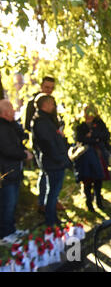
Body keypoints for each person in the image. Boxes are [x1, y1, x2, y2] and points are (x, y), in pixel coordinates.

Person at [23, 76, 64, 214]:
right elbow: (28, 125)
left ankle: (52, 200)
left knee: (54, 174)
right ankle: (43, 202)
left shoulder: (52, 103)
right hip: (40, 144)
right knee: (45, 172)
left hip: (53, 140)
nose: (49, 90)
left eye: (52, 88)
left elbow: (55, 121)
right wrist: (45, 133)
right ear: (41, 86)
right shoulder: (33, 103)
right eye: (47, 87)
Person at [31, 94, 71, 227]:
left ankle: (52, 218)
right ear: (45, 105)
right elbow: (48, 143)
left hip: (54, 160)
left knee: (53, 192)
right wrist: (60, 159)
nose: (53, 106)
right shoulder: (41, 121)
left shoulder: (46, 119)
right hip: (53, 162)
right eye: (51, 104)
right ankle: (50, 220)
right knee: (52, 193)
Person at [0, 100, 33, 244]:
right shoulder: (1, 128)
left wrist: (15, 123)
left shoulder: (10, 125)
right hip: (5, 172)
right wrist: (24, 155)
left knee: (12, 203)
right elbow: (7, 149)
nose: (14, 111)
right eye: (12, 109)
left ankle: (11, 230)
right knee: (7, 203)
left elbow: (22, 136)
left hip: (13, 171)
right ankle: (5, 234)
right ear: (5, 112)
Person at [73, 105, 111, 211]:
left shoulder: (99, 123)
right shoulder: (80, 124)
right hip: (85, 155)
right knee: (87, 179)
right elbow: (79, 138)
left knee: (98, 178)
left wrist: (93, 135)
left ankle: (98, 200)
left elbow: (106, 135)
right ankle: (88, 201)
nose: (89, 115)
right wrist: (94, 139)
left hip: (98, 154)